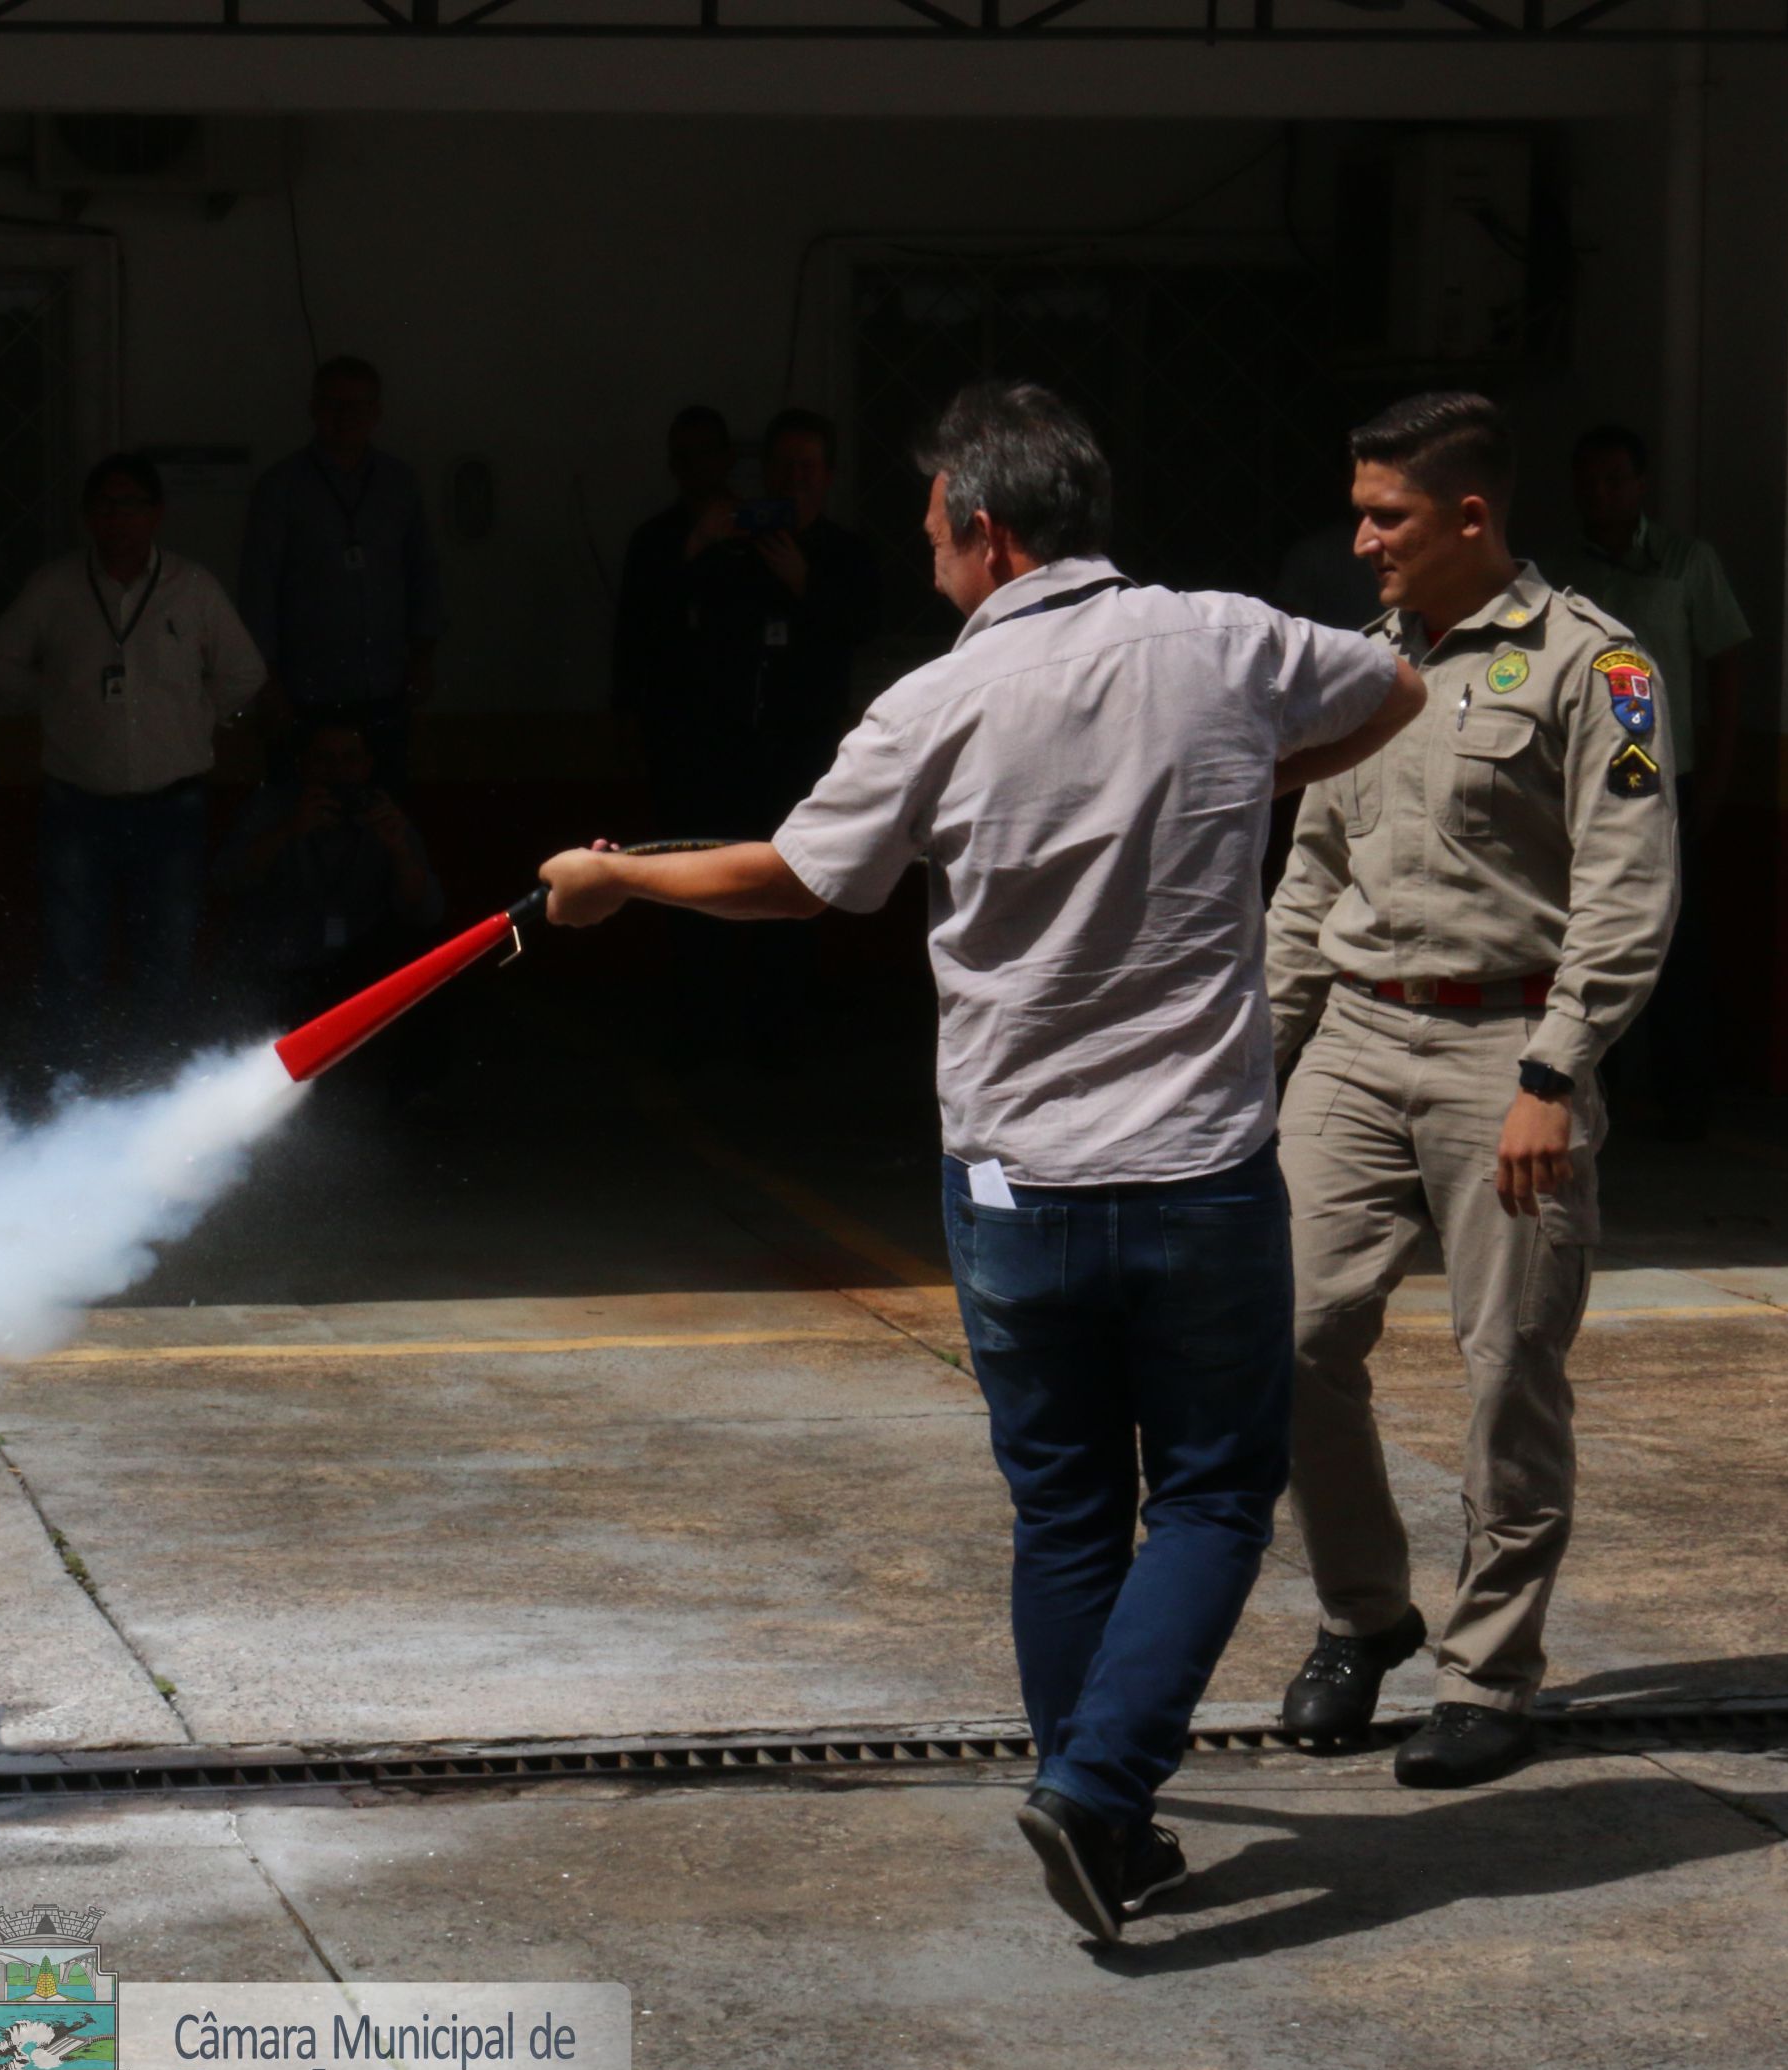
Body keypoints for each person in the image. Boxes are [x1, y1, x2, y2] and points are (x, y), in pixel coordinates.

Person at [535, 381, 1422, 1943]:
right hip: (1200, 1167)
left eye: (938, 527)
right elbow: (1393, 695)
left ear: (991, 534)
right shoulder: (1224, 641)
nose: (931, 555)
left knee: (1069, 1510)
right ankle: (1098, 1798)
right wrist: (1230, 789)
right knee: (1214, 1494)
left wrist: (616, 884)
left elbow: (799, 883)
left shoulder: (931, 705)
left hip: (1015, 1180)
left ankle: (1100, 1804)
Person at [1266, 393, 1679, 1790]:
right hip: (1356, 1039)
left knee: (1508, 1367)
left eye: (1386, 514)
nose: (1363, 536)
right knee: (1289, 1329)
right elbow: (1312, 874)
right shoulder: (1356, 669)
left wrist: (1555, 1075)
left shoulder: (1594, 669)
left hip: (1509, 1047)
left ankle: (1490, 1671)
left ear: (1470, 519)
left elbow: (1626, 895)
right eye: (1360, 509)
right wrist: (1255, 1056)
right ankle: (1365, 1615)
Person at [0, 452, 266, 1066]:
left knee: (166, 952)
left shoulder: (192, 588)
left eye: (131, 504)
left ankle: (151, 1077)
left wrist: (198, 716)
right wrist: (52, 699)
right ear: (88, 516)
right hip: (78, 800)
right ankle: (70, 1084)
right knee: (70, 951)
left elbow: (245, 671)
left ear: (156, 514)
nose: (119, 518)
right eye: (106, 505)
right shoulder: (56, 587)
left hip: (173, 801)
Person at [649, 407, 885, 1072]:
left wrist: (804, 584)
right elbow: (667, 630)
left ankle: (783, 1038)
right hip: (722, 757)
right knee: (715, 891)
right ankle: (711, 1037)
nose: (795, 479)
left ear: (827, 476)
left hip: (802, 758)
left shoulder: (843, 552)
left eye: (807, 467)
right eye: (783, 467)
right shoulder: (735, 545)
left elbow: (862, 624)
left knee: (793, 895)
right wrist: (703, 546)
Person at [1558, 422, 1750, 1137]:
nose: (1600, 491)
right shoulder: (1553, 570)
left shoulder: (1685, 562)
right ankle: (1588, 1088)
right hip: (1582, 780)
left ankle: (1685, 1098)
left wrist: (1722, 772)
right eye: (1588, 478)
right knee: (1586, 933)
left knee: (1676, 939)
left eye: (1615, 478)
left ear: (1640, 486)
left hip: (1671, 779)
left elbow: (1725, 664)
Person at [239, 356, 445, 794]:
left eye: (358, 405)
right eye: (333, 404)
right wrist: (267, 682)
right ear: (314, 409)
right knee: (302, 817)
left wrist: (423, 656)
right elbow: (258, 588)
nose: (345, 416)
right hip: (304, 691)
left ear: (376, 413)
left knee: (383, 815)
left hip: (385, 684)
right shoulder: (281, 487)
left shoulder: (398, 483)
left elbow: (423, 572)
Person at [213, 722, 447, 1088]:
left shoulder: (383, 811)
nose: (337, 771)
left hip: (358, 962)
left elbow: (428, 912)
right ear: (303, 765)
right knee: (247, 987)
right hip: (284, 960)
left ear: (367, 765)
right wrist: (290, 830)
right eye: (323, 759)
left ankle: (413, 1095)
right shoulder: (273, 805)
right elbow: (225, 879)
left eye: (349, 759)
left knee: (426, 973)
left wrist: (399, 850)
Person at [609, 405, 735, 770]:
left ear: (727, 458)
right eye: (685, 457)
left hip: (747, 726)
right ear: (673, 465)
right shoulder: (653, 541)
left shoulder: (754, 531)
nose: (697, 466)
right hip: (674, 723)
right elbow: (633, 631)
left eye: (706, 453)